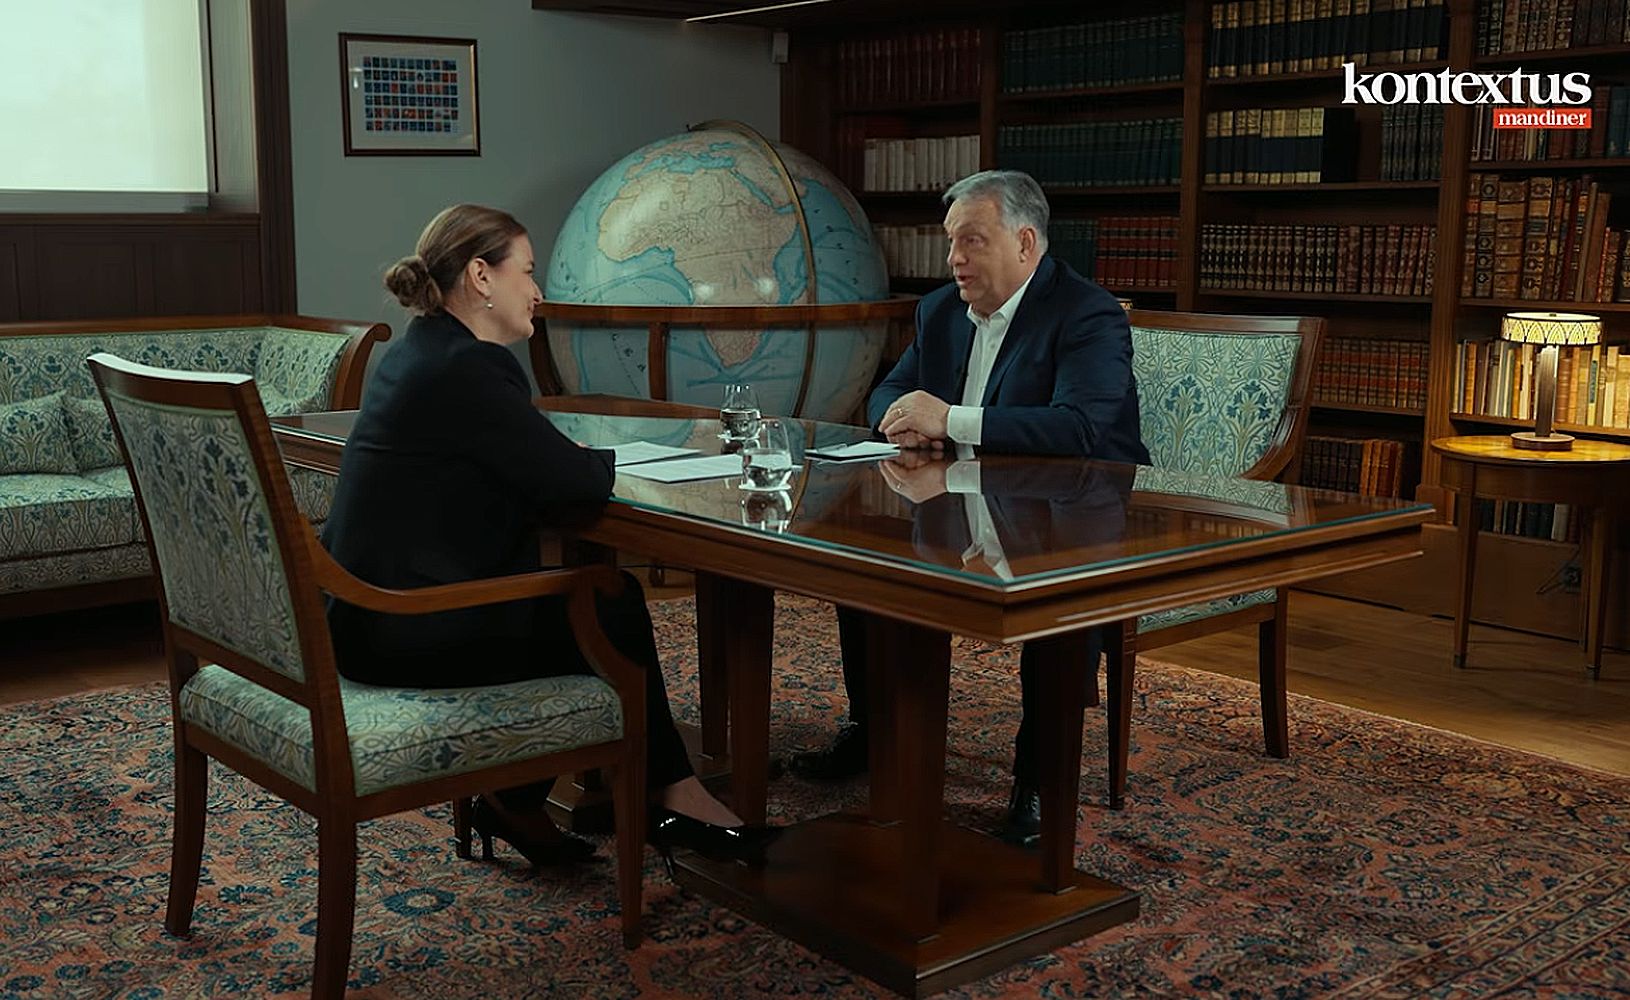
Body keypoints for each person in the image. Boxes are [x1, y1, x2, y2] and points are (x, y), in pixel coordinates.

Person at [322, 203, 775, 871]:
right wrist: (590, 461)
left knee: (580, 602)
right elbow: (571, 483)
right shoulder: (470, 367)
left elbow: (520, 462)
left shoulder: (422, 350)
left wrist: (563, 459)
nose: (537, 291)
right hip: (406, 630)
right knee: (609, 603)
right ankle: (672, 796)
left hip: (361, 620)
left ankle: (517, 801)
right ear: (481, 276)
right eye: (527, 271)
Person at [787, 171, 1151, 846]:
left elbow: (1080, 428)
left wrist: (951, 419)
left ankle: (1039, 779)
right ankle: (874, 731)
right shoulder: (940, 311)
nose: (954, 258)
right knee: (862, 567)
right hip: (960, 501)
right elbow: (889, 390)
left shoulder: (1086, 313)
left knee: (1057, 603)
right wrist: (902, 420)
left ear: (1025, 242)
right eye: (951, 241)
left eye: (972, 241)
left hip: (1071, 514)